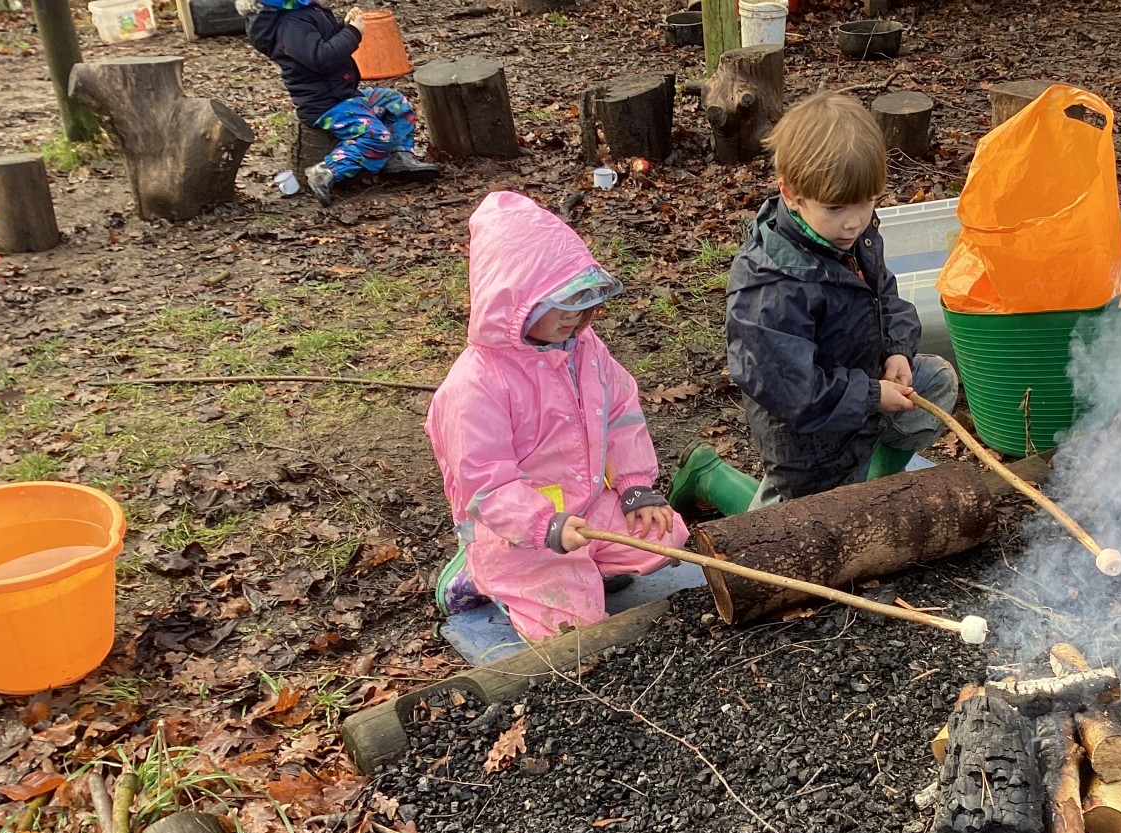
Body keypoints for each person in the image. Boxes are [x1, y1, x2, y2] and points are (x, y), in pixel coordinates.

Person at [669, 91, 957, 515]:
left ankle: (870, 492)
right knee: (783, 535)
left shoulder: (850, 236)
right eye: (836, 207)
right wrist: (870, 396)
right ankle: (709, 475)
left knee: (936, 381)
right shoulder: (771, 286)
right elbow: (792, 392)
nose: (854, 221)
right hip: (808, 440)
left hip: (861, 397)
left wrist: (896, 349)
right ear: (791, 195)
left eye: (866, 202)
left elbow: (884, 295)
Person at [425, 191, 688, 641]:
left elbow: (621, 413)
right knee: (574, 630)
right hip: (519, 531)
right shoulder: (476, 385)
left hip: (584, 504)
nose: (577, 316)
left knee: (664, 536)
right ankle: (484, 574)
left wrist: (634, 485)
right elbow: (485, 482)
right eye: (562, 302)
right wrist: (541, 525)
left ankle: (586, 566)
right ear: (514, 303)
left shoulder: (586, 349)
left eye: (584, 299)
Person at [241, 0, 437, 205]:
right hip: (326, 104)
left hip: (343, 93)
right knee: (376, 136)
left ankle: (397, 156)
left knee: (394, 102)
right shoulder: (290, 24)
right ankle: (326, 171)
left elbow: (325, 41)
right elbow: (322, 58)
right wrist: (353, 33)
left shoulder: (303, 11)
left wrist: (344, 26)